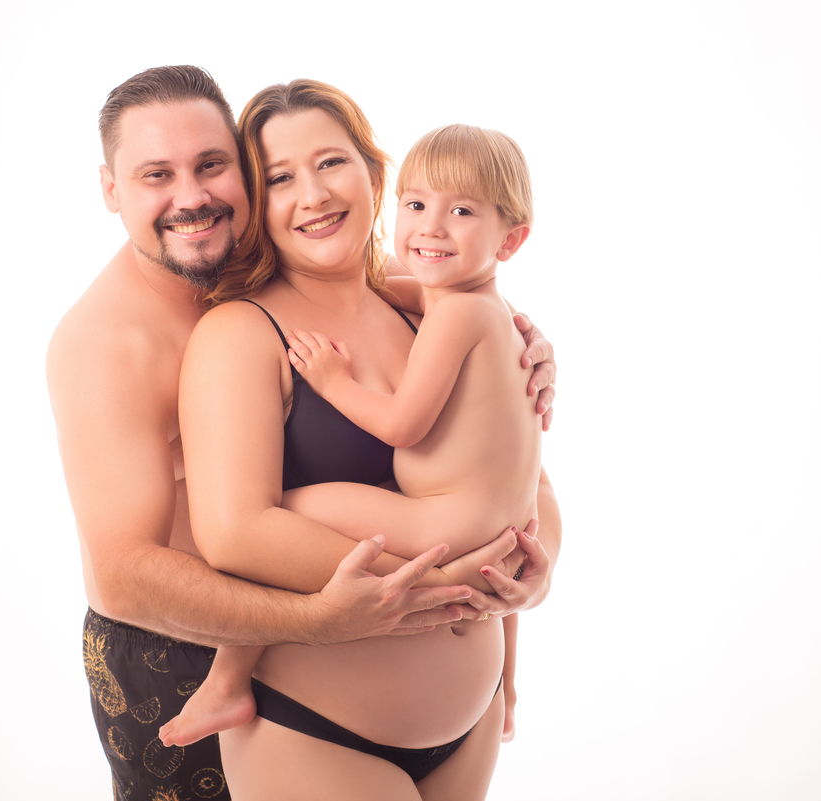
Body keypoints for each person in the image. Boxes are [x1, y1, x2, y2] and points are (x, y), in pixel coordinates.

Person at [46, 66, 559, 800]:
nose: (191, 197)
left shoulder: (419, 298)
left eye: (211, 165)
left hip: (457, 715)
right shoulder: (131, 340)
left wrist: (531, 574)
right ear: (110, 188)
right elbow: (144, 566)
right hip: (211, 665)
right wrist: (405, 593)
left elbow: (513, 475)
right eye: (157, 174)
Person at [160, 123, 541, 755]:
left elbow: (404, 426)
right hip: (328, 724)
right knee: (266, 527)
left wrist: (334, 383)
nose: (432, 227)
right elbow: (239, 533)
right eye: (281, 177)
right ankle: (512, 687)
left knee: (296, 510)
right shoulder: (467, 308)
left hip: (446, 560)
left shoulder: (447, 313)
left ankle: (227, 677)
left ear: (372, 176)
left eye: (461, 212)